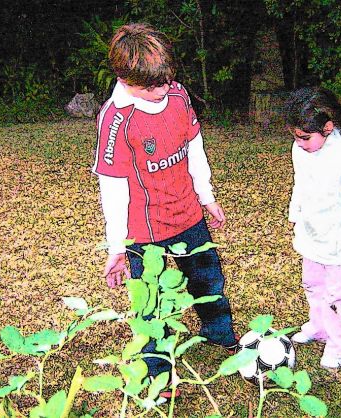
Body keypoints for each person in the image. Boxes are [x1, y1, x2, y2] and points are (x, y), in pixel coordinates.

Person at [92, 23, 238, 380]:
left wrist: (206, 195)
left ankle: (219, 333)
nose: (163, 90)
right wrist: (117, 247)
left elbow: (194, 147)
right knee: (150, 305)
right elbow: (112, 188)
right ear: (125, 80)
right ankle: (159, 373)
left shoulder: (178, 96)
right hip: (145, 232)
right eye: (153, 86)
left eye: (167, 80)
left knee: (207, 280)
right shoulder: (115, 120)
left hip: (188, 216)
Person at [281, 87, 341, 369]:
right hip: (312, 236)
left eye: (304, 137)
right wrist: (296, 212)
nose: (298, 143)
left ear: (327, 127)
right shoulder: (300, 150)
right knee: (313, 285)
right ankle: (319, 326)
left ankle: (339, 342)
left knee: (338, 297)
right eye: (295, 136)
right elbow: (301, 183)